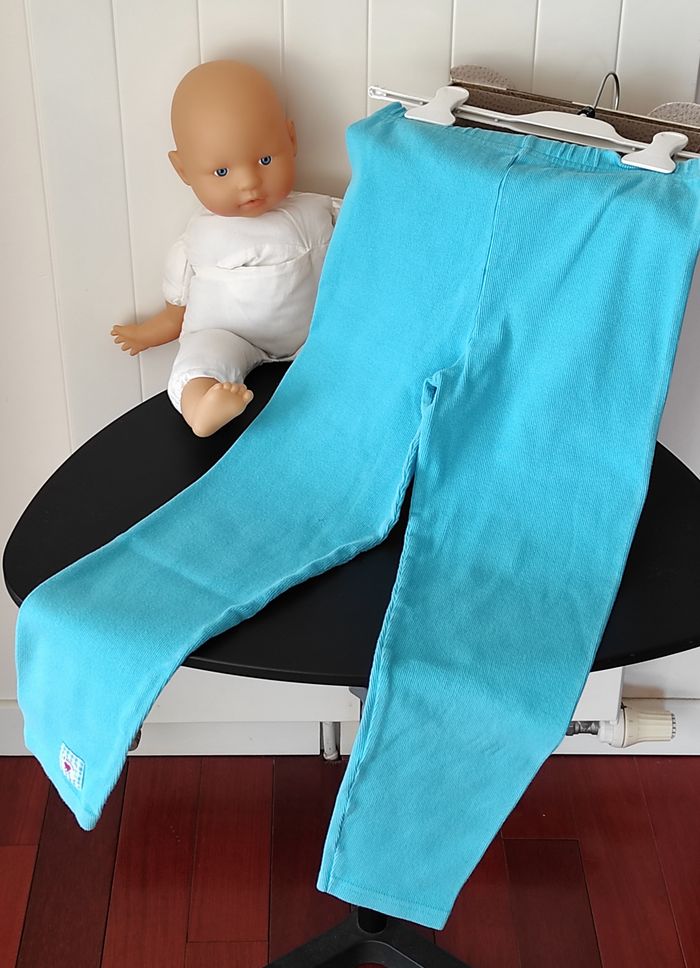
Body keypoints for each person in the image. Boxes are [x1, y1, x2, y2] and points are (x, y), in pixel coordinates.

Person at [112, 59, 338, 436]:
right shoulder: (197, 238)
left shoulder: (319, 210)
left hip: (315, 333)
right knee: (199, 356)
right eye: (222, 172)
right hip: (230, 335)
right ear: (183, 170)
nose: (249, 182)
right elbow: (176, 313)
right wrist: (147, 334)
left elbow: (369, 239)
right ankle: (201, 403)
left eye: (265, 160)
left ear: (291, 139)